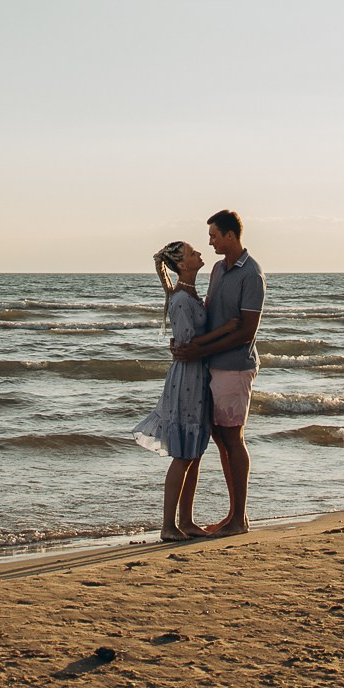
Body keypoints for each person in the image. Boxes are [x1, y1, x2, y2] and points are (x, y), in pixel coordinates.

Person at [132, 240, 236, 541]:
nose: (199, 253)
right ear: (181, 264)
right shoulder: (180, 299)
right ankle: (168, 525)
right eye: (192, 253)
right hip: (187, 379)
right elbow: (188, 343)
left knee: (194, 454)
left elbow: (188, 341)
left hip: (198, 375)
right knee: (183, 454)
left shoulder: (189, 294)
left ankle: (186, 521)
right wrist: (226, 330)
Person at [171, 209, 265, 537]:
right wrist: (187, 341)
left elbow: (246, 332)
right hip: (212, 365)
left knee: (232, 438)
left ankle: (239, 519)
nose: (210, 242)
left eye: (213, 236)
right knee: (219, 438)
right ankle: (232, 516)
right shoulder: (218, 269)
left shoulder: (251, 274)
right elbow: (210, 313)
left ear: (230, 235)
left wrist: (199, 350)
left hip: (235, 367)